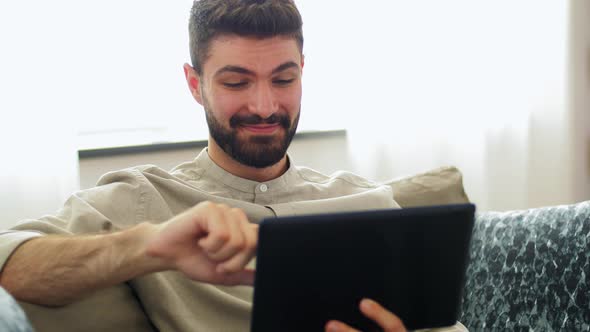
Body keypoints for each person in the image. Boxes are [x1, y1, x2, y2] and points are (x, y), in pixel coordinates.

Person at [0, 1, 466, 331]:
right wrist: (147, 246)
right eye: (237, 82)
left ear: (303, 70)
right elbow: (8, 262)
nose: (265, 106)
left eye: (284, 79)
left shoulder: (373, 204)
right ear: (194, 83)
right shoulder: (143, 200)